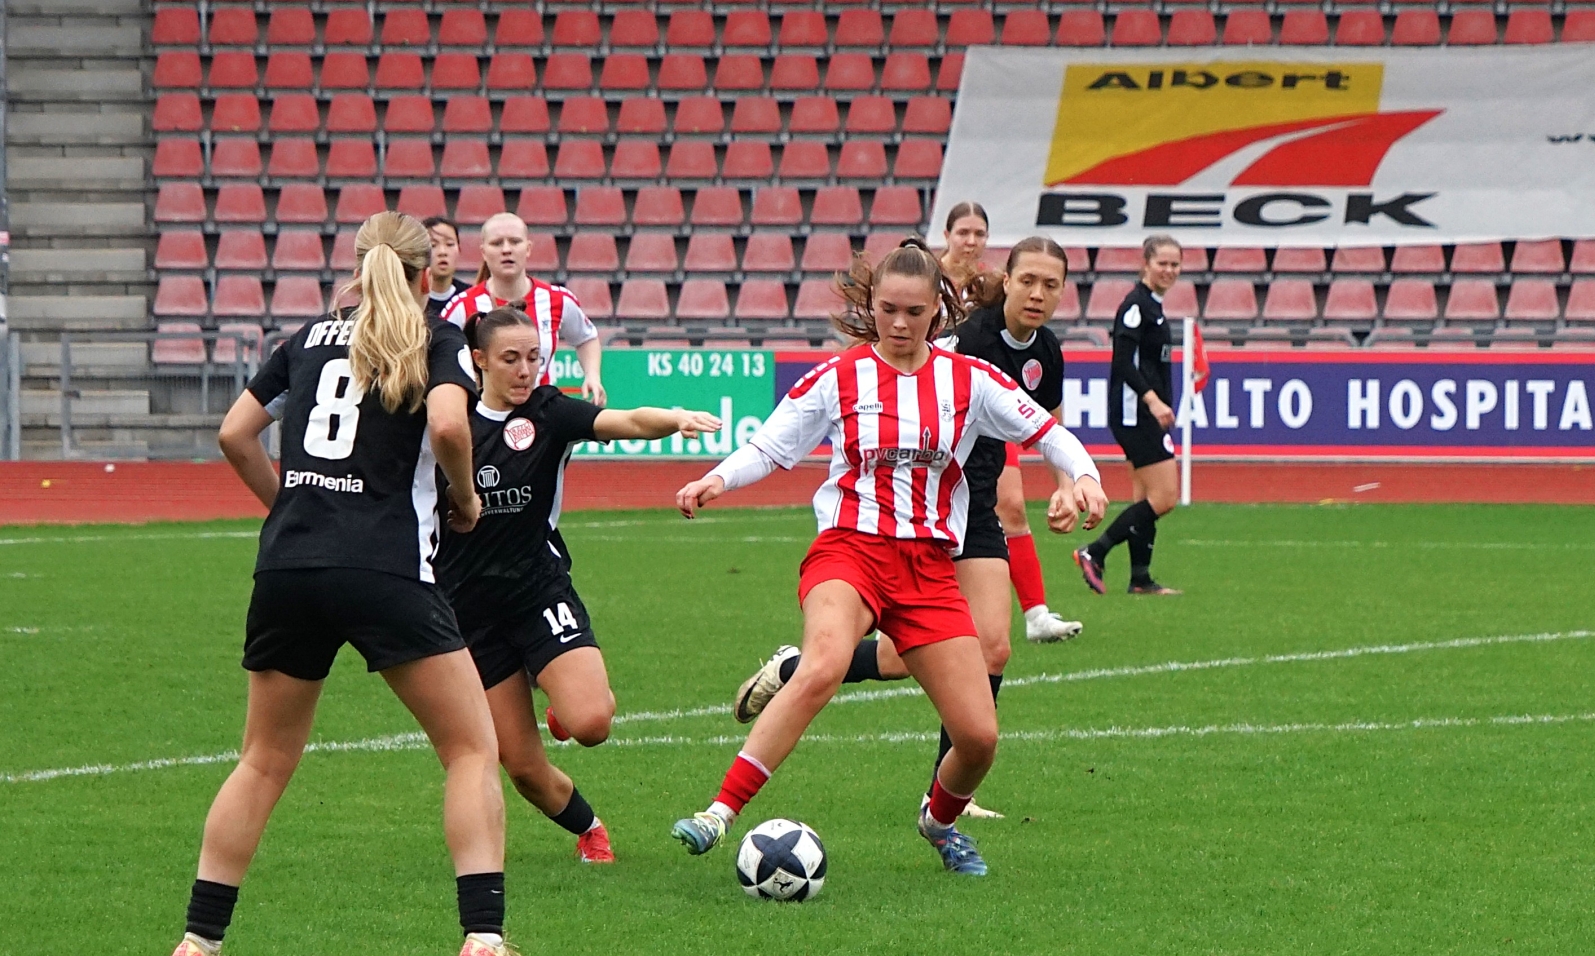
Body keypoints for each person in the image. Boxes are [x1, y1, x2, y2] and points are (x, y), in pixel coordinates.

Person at [166, 213, 546, 956]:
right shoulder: (435, 337)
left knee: (262, 758)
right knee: (470, 747)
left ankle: (199, 942)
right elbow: (449, 423)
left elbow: (235, 433)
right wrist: (465, 498)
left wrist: (288, 510)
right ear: (423, 273)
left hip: (288, 565)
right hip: (384, 565)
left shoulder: (305, 339)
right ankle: (483, 934)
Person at [669, 239, 1107, 877]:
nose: (899, 324)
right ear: (871, 305)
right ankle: (719, 811)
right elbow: (769, 446)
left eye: (914, 312)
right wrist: (717, 479)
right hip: (849, 550)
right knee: (822, 665)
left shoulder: (970, 379)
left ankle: (939, 822)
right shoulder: (838, 376)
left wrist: (1085, 476)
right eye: (887, 310)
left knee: (979, 738)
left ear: (937, 312)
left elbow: (1049, 432)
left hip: (928, 568)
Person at [436, 306, 720, 864]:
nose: (525, 370)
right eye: (511, 359)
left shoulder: (548, 411)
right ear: (479, 360)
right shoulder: (449, 421)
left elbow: (626, 421)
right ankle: (589, 828)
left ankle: (559, 695)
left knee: (590, 723)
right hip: (468, 608)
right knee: (522, 767)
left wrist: (674, 417)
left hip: (537, 592)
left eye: (533, 357)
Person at [1074, 236, 1185, 596]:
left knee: (1145, 499)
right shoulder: (1136, 306)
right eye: (1162, 263)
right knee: (1164, 497)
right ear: (1145, 264)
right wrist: (1153, 401)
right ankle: (1095, 551)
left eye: (1175, 264)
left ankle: (1140, 579)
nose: (1169, 270)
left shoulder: (1152, 306)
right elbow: (1122, 361)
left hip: (1141, 413)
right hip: (1134, 412)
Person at [441, 212, 606, 405]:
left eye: (515, 242)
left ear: (528, 248)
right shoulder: (462, 306)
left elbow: (586, 338)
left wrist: (592, 376)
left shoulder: (558, 300)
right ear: (483, 253)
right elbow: (438, 355)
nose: (506, 250)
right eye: (497, 243)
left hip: (542, 412)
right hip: (483, 414)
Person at [937, 201, 990, 293]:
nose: (971, 242)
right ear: (947, 235)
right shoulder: (929, 277)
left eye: (979, 234)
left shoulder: (990, 282)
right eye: (963, 233)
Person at [422, 216, 469, 312]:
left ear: (459, 250)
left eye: (449, 244)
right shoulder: (410, 298)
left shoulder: (470, 297)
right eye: (433, 245)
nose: (442, 252)